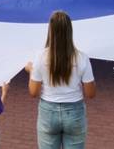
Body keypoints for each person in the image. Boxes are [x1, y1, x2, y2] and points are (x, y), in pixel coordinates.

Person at [27, 11, 96, 149]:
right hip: (74, 112)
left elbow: (33, 92)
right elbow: (91, 94)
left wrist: (31, 71)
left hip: (48, 112)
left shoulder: (41, 57)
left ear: (50, 31)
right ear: (69, 31)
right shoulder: (82, 57)